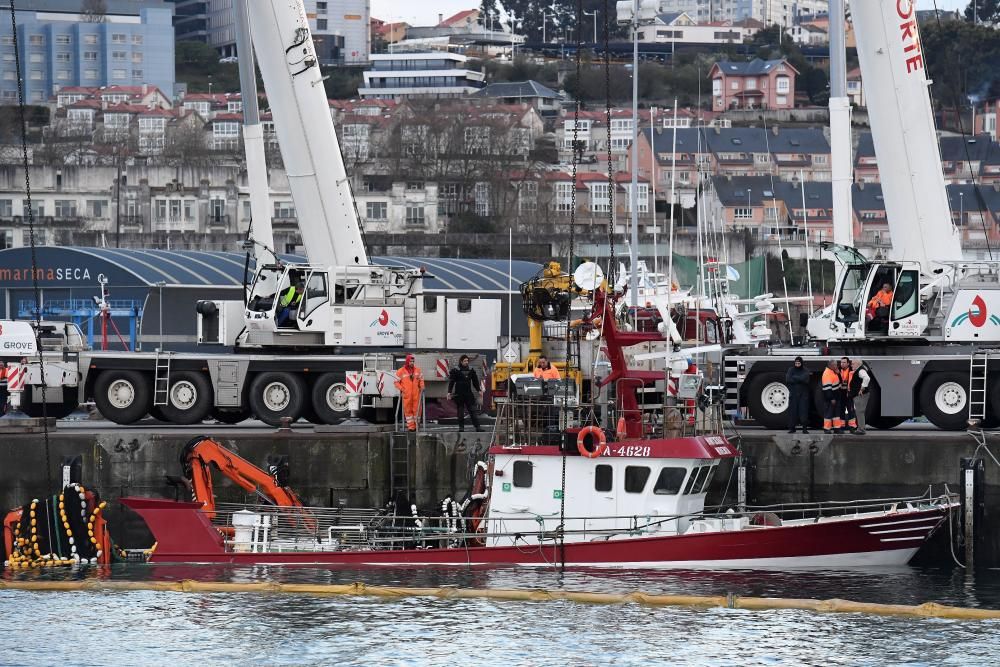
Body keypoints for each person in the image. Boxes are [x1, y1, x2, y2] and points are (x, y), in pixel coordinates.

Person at [448, 354, 483, 432]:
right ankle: (461, 427)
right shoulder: (456, 370)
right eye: (465, 361)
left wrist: (479, 390)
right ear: (461, 361)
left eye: (467, 361)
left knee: (472, 411)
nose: (466, 362)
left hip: (468, 394)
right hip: (459, 394)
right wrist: (449, 392)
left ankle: (477, 427)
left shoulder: (471, 370)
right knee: (460, 412)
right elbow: (451, 382)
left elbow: (475, 381)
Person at [394, 354, 424, 432]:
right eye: (410, 361)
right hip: (407, 395)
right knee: (408, 411)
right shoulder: (401, 371)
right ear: (407, 361)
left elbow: (421, 380)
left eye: (413, 361)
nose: (412, 362)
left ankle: (417, 425)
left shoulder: (418, 370)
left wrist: (422, 386)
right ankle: (411, 427)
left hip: (416, 394)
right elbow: (396, 382)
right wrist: (402, 389)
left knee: (417, 410)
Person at [784, 356, 810, 434]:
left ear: (801, 363)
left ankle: (804, 428)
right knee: (792, 411)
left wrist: (794, 378)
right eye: (796, 363)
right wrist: (800, 379)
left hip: (803, 394)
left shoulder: (805, 370)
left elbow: (805, 379)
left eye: (799, 363)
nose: (797, 364)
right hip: (793, 394)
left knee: (803, 411)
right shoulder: (791, 369)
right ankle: (792, 428)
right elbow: (788, 379)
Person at [849, 359, 872, 435]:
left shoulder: (861, 370)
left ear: (857, 364)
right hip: (859, 395)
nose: (851, 365)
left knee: (859, 412)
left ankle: (861, 430)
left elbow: (867, 378)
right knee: (859, 412)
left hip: (860, 395)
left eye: (852, 364)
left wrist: (862, 388)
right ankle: (861, 429)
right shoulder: (860, 369)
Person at [837, 356, 858, 433]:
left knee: (851, 410)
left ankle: (852, 427)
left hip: (849, 393)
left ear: (848, 363)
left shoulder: (852, 370)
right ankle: (841, 426)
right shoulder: (838, 370)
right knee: (841, 410)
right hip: (841, 393)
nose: (842, 364)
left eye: (844, 362)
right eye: (841, 362)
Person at [821, 360, 843, 434]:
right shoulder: (827, 373)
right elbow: (827, 388)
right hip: (831, 398)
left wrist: (838, 374)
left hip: (836, 397)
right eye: (835, 365)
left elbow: (840, 382)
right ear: (831, 365)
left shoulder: (833, 372)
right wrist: (831, 398)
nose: (837, 366)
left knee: (836, 414)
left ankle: (837, 428)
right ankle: (827, 429)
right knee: (828, 413)